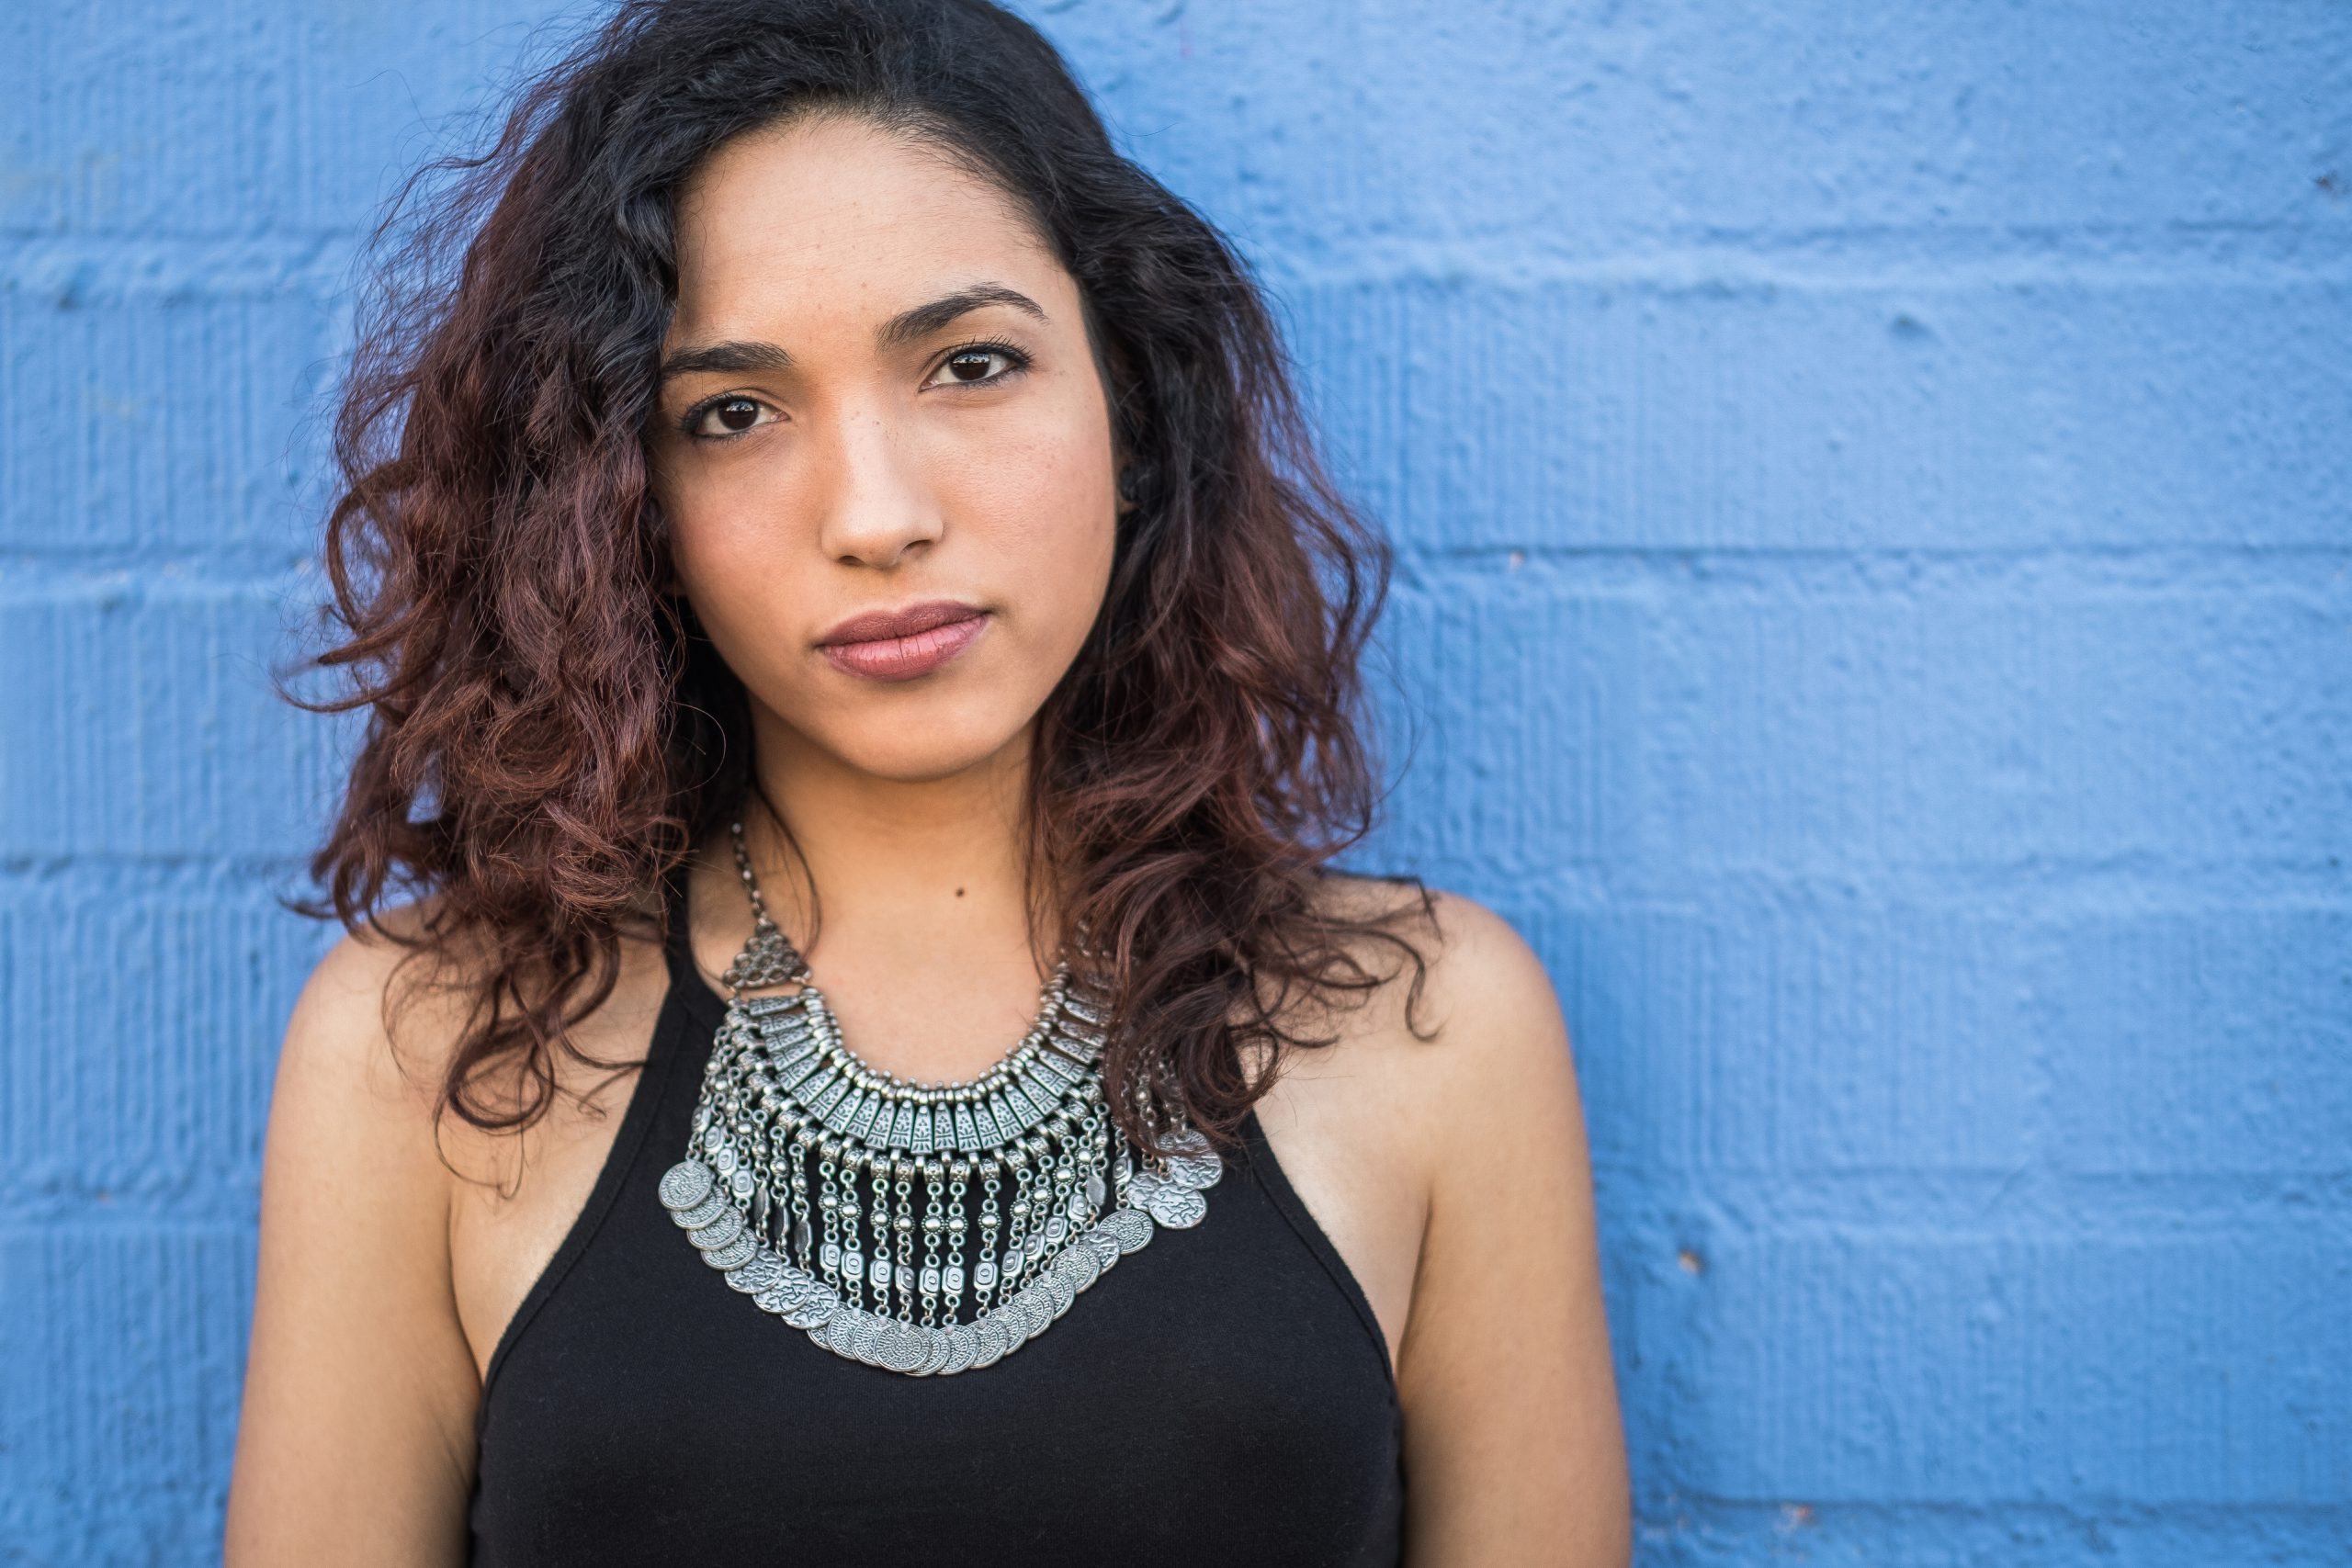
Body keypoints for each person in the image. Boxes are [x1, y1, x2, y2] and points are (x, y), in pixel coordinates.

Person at [223, 1, 1631, 1562]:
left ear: (1134, 405)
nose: (877, 513)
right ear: (625, 500)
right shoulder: (428, 1052)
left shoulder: (1433, 1028)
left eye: (969, 363)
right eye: (735, 413)